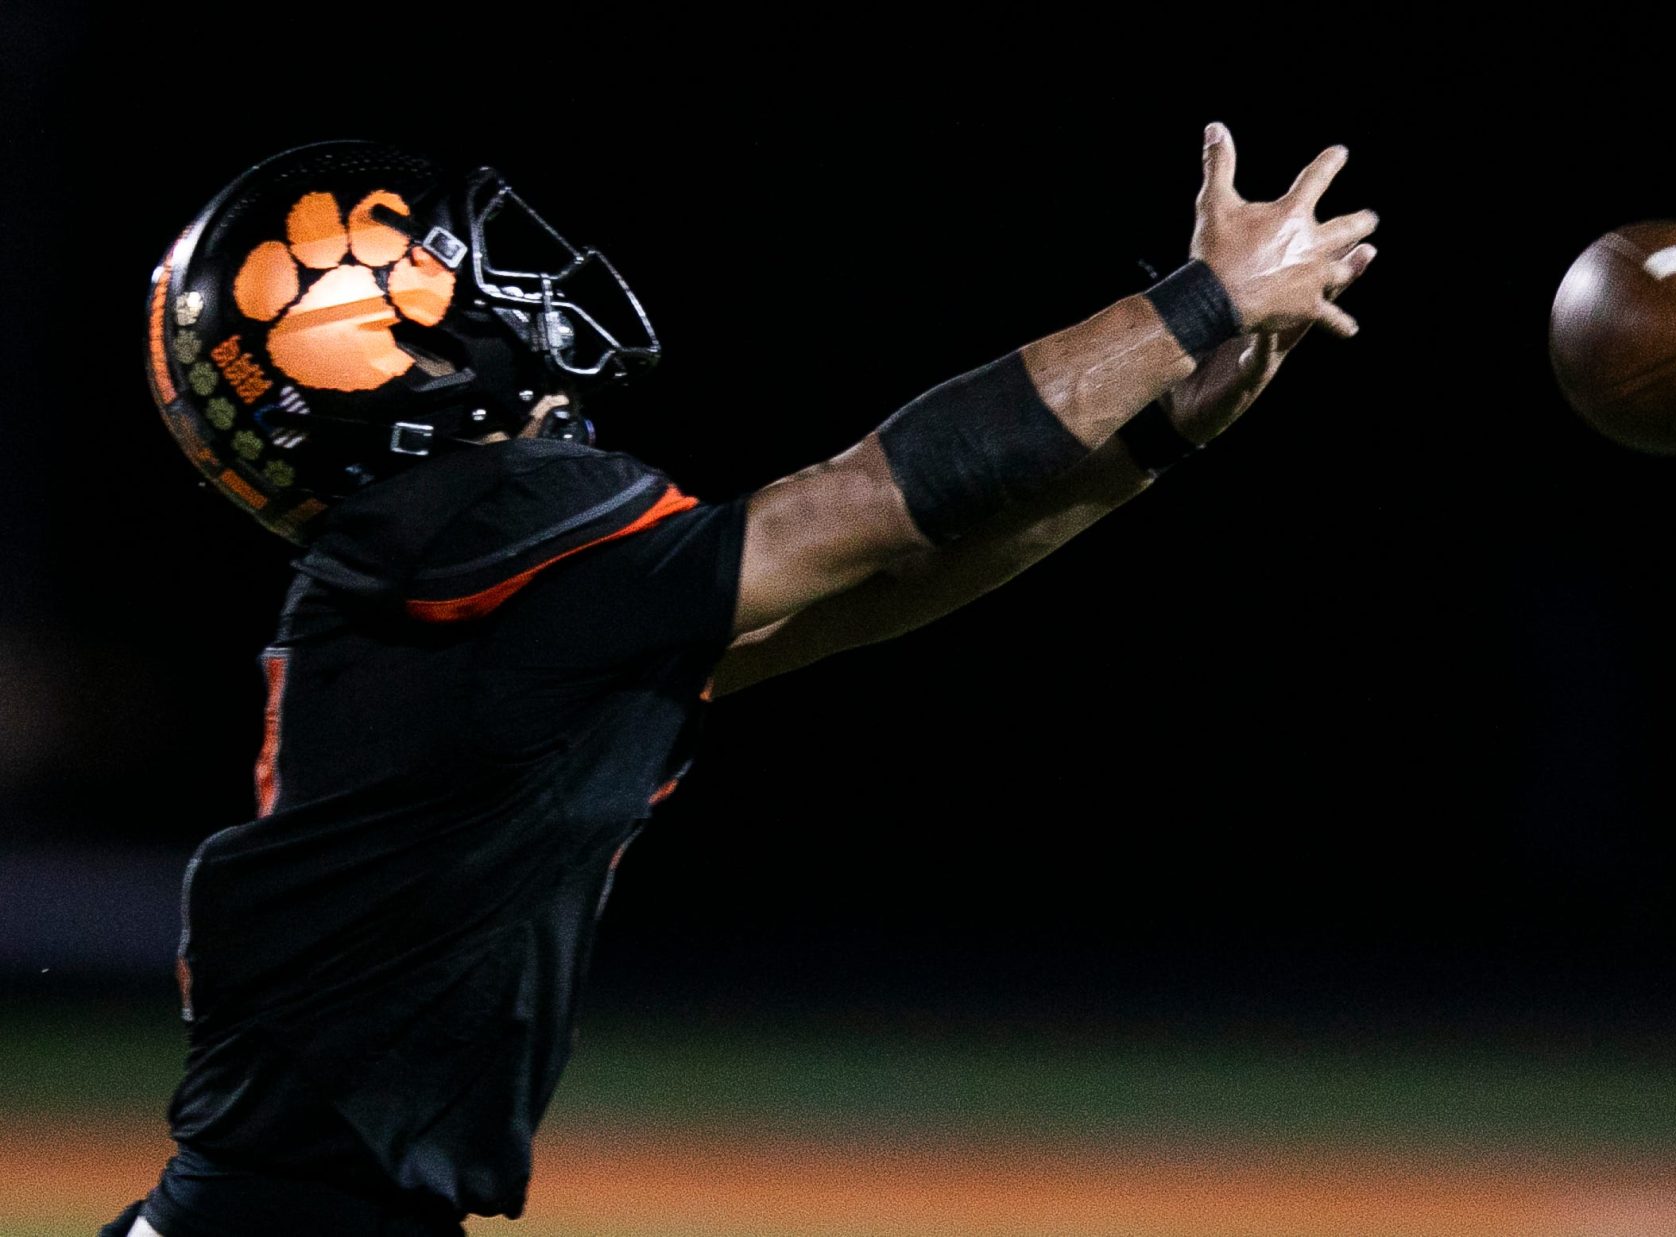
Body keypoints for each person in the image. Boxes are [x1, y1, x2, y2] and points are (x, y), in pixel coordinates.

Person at [112, 121, 1377, 1236]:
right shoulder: (463, 530)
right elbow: (868, 504)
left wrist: (1159, 430)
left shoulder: (456, 589)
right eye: (445, 265)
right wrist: (1199, 303)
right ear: (367, 346)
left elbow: (874, 588)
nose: (510, 282)